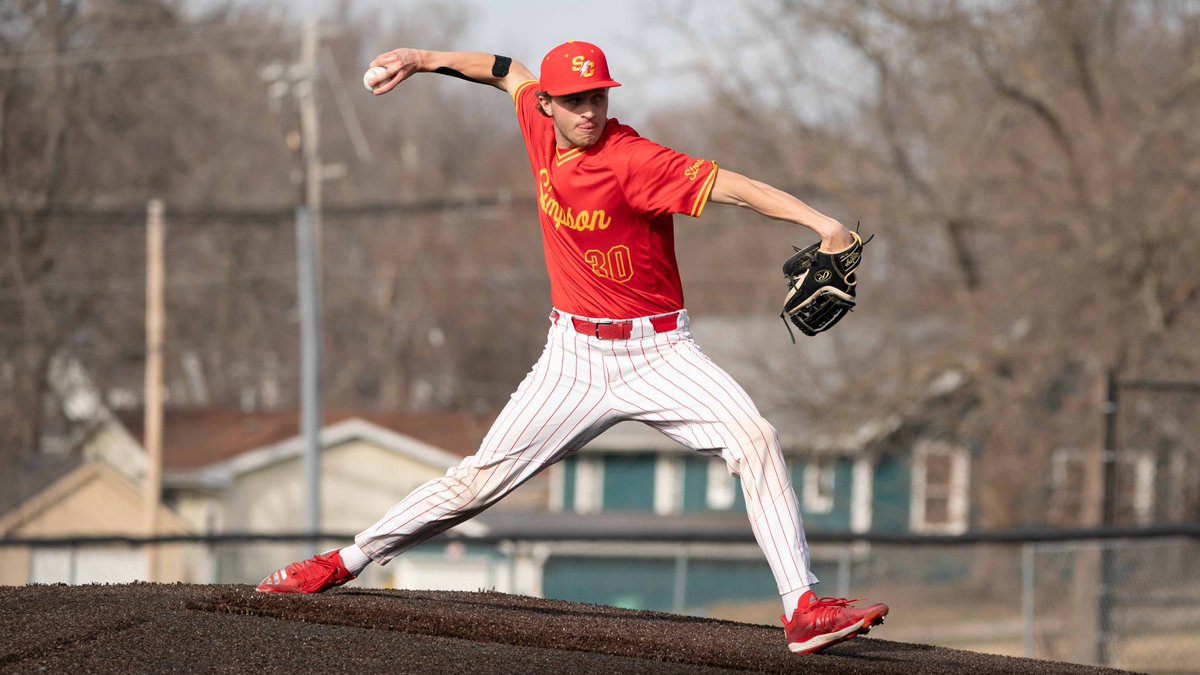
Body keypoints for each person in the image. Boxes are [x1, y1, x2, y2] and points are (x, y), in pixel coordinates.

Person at [256, 40, 887, 655]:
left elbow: (736, 187)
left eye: (598, 97)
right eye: (575, 99)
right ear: (548, 105)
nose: (588, 111)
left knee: (757, 439)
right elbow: (506, 70)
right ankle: (344, 561)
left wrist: (824, 224)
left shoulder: (633, 159)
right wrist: (421, 60)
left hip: (659, 354)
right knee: (476, 484)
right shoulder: (538, 125)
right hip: (573, 359)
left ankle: (802, 608)